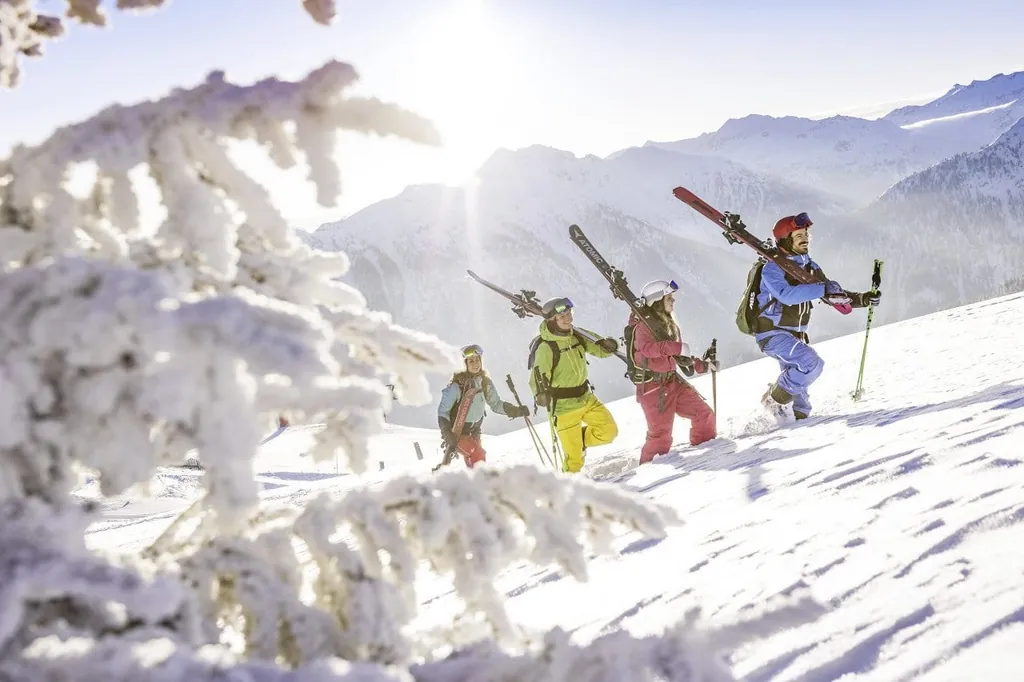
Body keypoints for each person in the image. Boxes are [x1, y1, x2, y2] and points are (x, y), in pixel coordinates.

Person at [755, 212, 881, 420]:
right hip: (772, 333)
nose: (805, 238)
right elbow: (786, 295)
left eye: (806, 234)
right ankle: (773, 399)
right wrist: (822, 289)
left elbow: (831, 294)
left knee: (802, 405)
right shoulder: (772, 269)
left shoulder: (809, 267)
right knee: (811, 364)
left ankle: (789, 422)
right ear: (786, 240)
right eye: (798, 236)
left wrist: (862, 299)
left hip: (795, 335)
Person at [626, 279, 718, 464]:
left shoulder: (669, 325)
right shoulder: (642, 326)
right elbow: (647, 349)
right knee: (660, 437)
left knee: (704, 415)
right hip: (653, 389)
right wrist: (675, 347)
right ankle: (647, 477)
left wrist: (704, 365)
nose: (673, 301)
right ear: (657, 301)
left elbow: (680, 357)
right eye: (669, 298)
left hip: (673, 382)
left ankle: (709, 456)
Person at [527, 296, 619, 473]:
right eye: (562, 317)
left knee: (609, 432)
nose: (568, 318)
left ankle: (581, 440)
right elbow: (537, 377)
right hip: (564, 408)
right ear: (553, 321)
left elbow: (600, 350)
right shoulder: (546, 347)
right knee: (574, 463)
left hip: (586, 398)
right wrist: (540, 394)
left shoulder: (577, 335)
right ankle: (568, 495)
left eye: (569, 313)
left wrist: (610, 345)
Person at [434, 343, 529, 470]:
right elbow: (443, 411)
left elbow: (496, 404)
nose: (476, 364)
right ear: (464, 365)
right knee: (478, 455)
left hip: (475, 431)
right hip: (457, 433)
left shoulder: (484, 382)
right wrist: (446, 433)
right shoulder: (457, 387)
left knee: (477, 462)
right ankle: (479, 483)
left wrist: (515, 411)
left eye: (477, 360)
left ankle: (475, 486)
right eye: (471, 361)